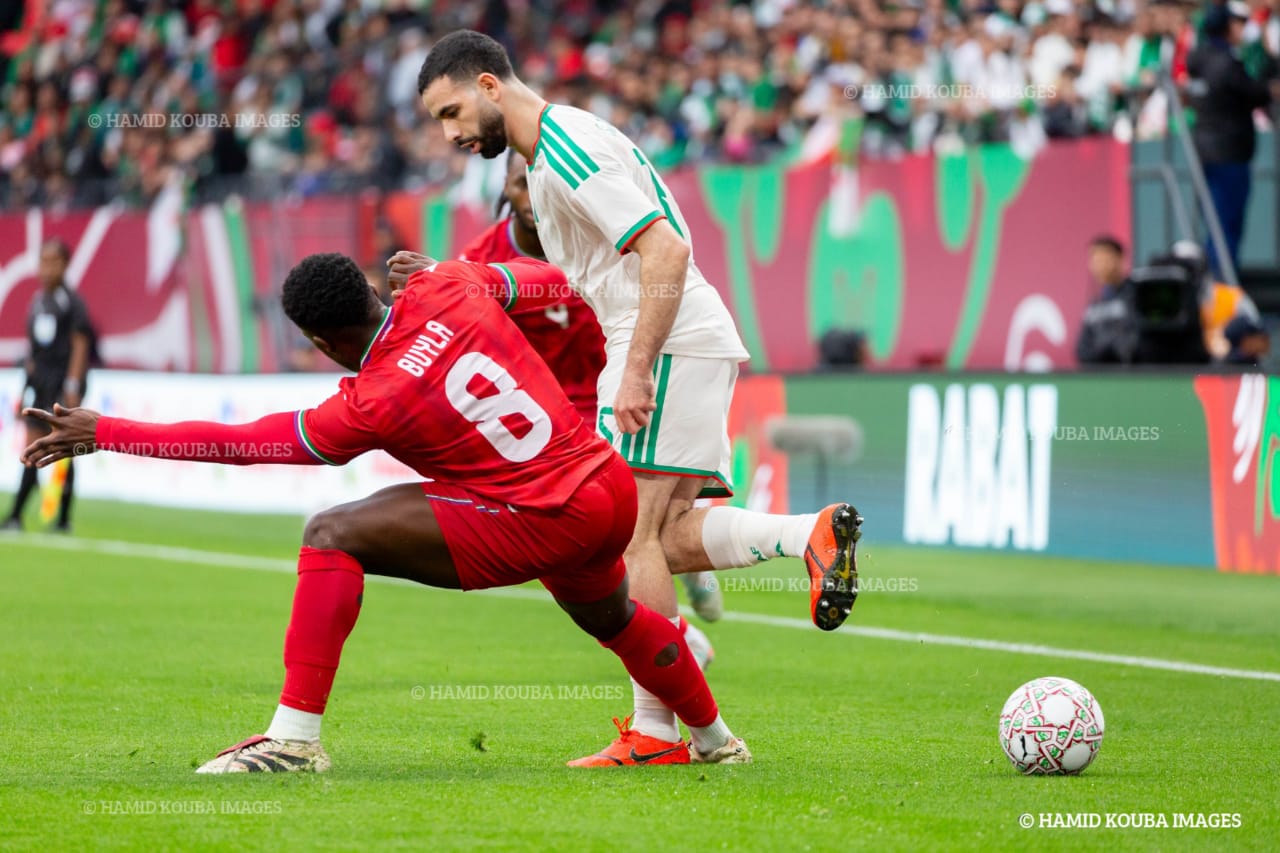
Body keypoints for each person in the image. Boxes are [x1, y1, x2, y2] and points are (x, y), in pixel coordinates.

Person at [22, 253, 750, 771]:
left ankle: (293, 739)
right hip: (604, 484)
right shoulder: (448, 282)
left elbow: (242, 444)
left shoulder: (372, 400)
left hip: (543, 514)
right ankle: (716, 740)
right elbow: (552, 279)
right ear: (372, 289)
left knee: (331, 533)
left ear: (319, 342)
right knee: (614, 618)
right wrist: (461, 269)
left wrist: (108, 430)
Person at [413, 29, 862, 766]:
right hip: (678, 336)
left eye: (451, 112)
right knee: (660, 532)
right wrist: (470, 278)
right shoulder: (550, 155)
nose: (450, 134)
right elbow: (586, 278)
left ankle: (658, 730)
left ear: (489, 86)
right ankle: (803, 536)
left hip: (663, 339)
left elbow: (666, 249)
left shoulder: (563, 146)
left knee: (626, 538)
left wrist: (637, 368)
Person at [404, 150, 727, 637]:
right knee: (591, 536)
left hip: (617, 388)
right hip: (551, 414)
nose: (531, 197)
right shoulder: (480, 259)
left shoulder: (593, 234)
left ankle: (680, 599)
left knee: (637, 523)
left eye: (537, 184)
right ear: (505, 189)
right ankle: (674, 636)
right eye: (520, 185)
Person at [3, 239, 93, 533]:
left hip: (61, 384)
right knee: (34, 446)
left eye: (54, 262)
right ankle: (18, 515)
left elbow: (80, 345)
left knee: (63, 449)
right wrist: (24, 390)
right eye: (43, 262)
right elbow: (33, 353)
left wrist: (72, 385)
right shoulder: (38, 302)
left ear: (65, 265)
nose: (47, 268)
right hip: (39, 384)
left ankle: (58, 517)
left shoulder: (73, 303)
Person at [1186, 1, 1276, 278]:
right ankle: (1223, 283)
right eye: (1237, 23)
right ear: (1226, 27)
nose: (1241, 29)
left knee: (1215, 223)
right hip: (1229, 154)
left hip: (1206, 151)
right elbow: (1254, 93)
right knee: (1226, 224)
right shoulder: (1226, 63)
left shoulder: (1200, 60)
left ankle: (1217, 279)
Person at [1076, 234, 1138, 365]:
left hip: (1130, 372)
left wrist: (1113, 352)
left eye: (1103, 259)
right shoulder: (1095, 304)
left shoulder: (1135, 294)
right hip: (1100, 373)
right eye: (1094, 260)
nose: (1098, 266)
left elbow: (1137, 341)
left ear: (1119, 259)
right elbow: (1082, 349)